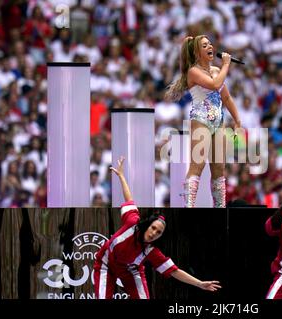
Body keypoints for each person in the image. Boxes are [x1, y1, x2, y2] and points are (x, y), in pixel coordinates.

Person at [93, 157, 221, 299]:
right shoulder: (132, 221)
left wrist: (199, 284)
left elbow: (175, 271)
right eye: (153, 228)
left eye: (158, 232)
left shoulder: (151, 251)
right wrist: (122, 176)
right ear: (148, 225)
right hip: (106, 264)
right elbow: (129, 199)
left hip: (131, 271)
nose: (154, 233)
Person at [165, 35, 241, 208]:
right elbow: (215, 85)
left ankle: (220, 208)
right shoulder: (194, 71)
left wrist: (237, 119)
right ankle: (189, 207)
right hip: (201, 119)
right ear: (197, 52)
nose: (210, 47)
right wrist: (227, 64)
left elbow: (226, 97)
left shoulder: (216, 70)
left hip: (219, 120)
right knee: (197, 166)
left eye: (210, 44)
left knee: (219, 169)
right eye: (204, 45)